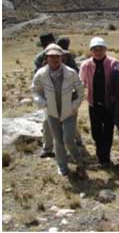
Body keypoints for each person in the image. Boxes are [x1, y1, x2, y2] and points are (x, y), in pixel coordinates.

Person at [31, 44, 85, 177]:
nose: (54, 59)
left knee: (68, 139)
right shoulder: (41, 74)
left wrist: (75, 105)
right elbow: (35, 90)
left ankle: (78, 159)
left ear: (62, 57)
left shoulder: (71, 73)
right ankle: (62, 166)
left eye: (57, 56)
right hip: (52, 112)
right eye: (51, 56)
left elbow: (80, 90)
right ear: (47, 58)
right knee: (58, 140)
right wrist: (42, 103)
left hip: (69, 112)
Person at [79, 37, 119, 166]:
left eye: (100, 49)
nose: (98, 52)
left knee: (108, 131)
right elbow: (81, 83)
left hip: (109, 104)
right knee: (96, 132)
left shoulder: (113, 63)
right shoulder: (86, 65)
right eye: (95, 49)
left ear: (105, 49)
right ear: (91, 51)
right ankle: (100, 154)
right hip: (93, 103)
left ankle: (105, 159)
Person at [34, 32, 57, 158]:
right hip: (48, 94)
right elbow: (36, 78)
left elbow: (73, 70)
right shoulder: (39, 59)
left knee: (69, 120)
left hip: (64, 93)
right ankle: (48, 148)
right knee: (47, 121)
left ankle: (77, 140)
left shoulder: (64, 55)